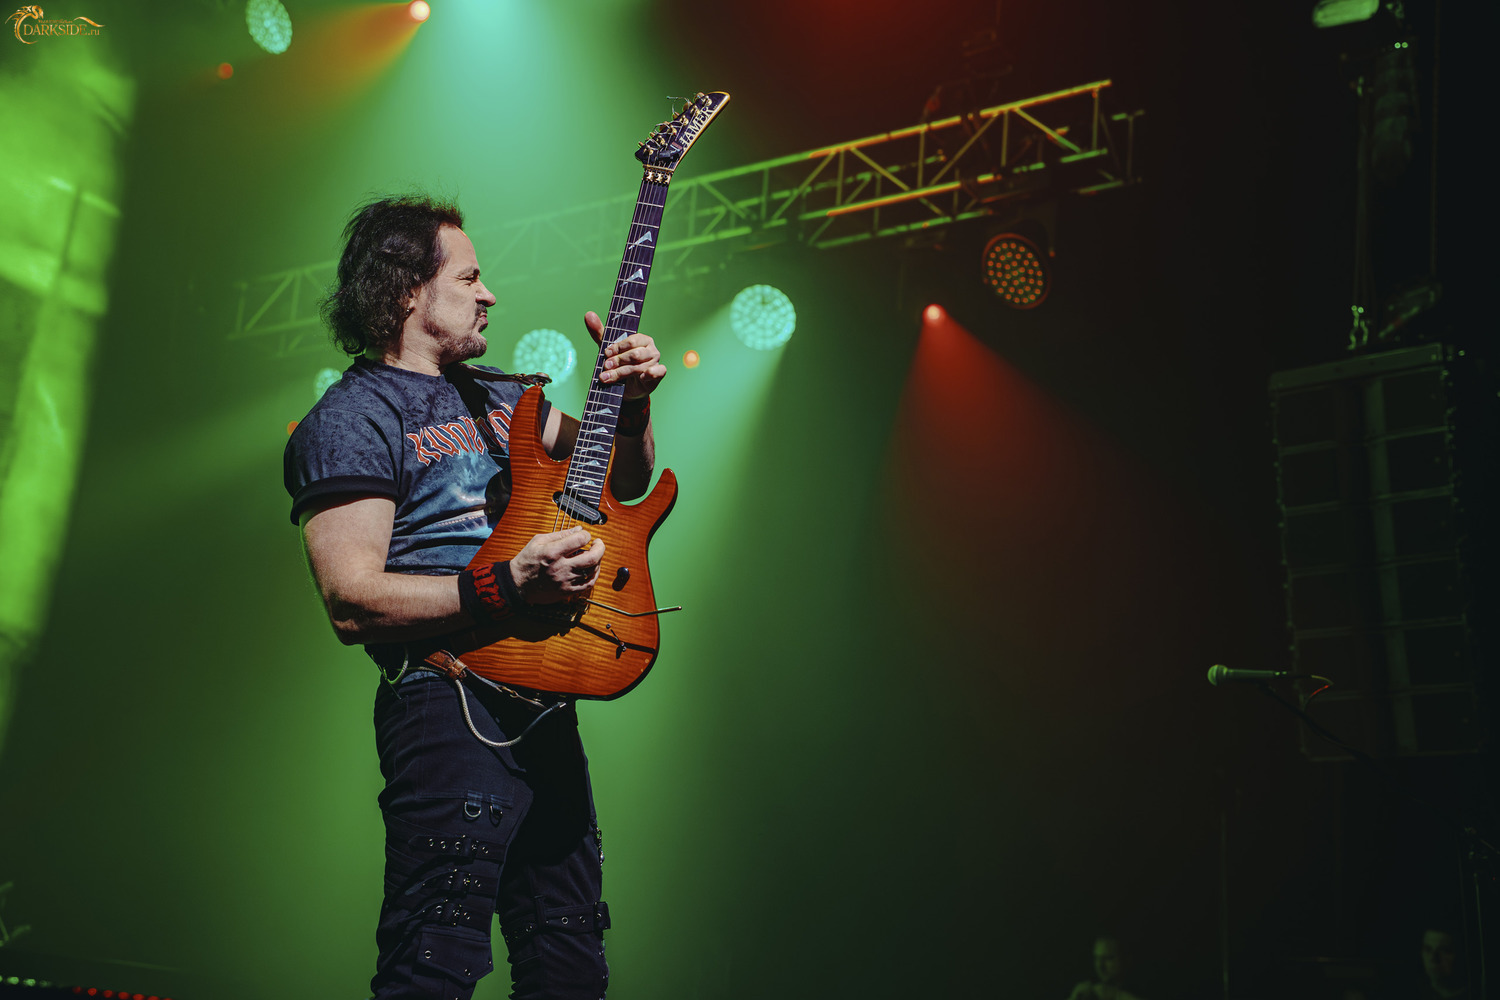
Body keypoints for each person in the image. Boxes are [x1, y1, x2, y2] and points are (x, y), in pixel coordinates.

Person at [283, 195, 665, 999]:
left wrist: (631, 404)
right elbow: (352, 600)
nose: (489, 294)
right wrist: (508, 582)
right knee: (435, 958)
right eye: (468, 278)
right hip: (446, 700)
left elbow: (623, 480)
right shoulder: (351, 417)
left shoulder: (505, 398)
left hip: (548, 700)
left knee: (570, 963)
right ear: (405, 292)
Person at [1066, 936, 1144, 1000]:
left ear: (1127, 959)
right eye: (1097, 958)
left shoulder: (1143, 987)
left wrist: (1116, 995)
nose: (1100, 966)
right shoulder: (1090, 991)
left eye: (1108, 958)